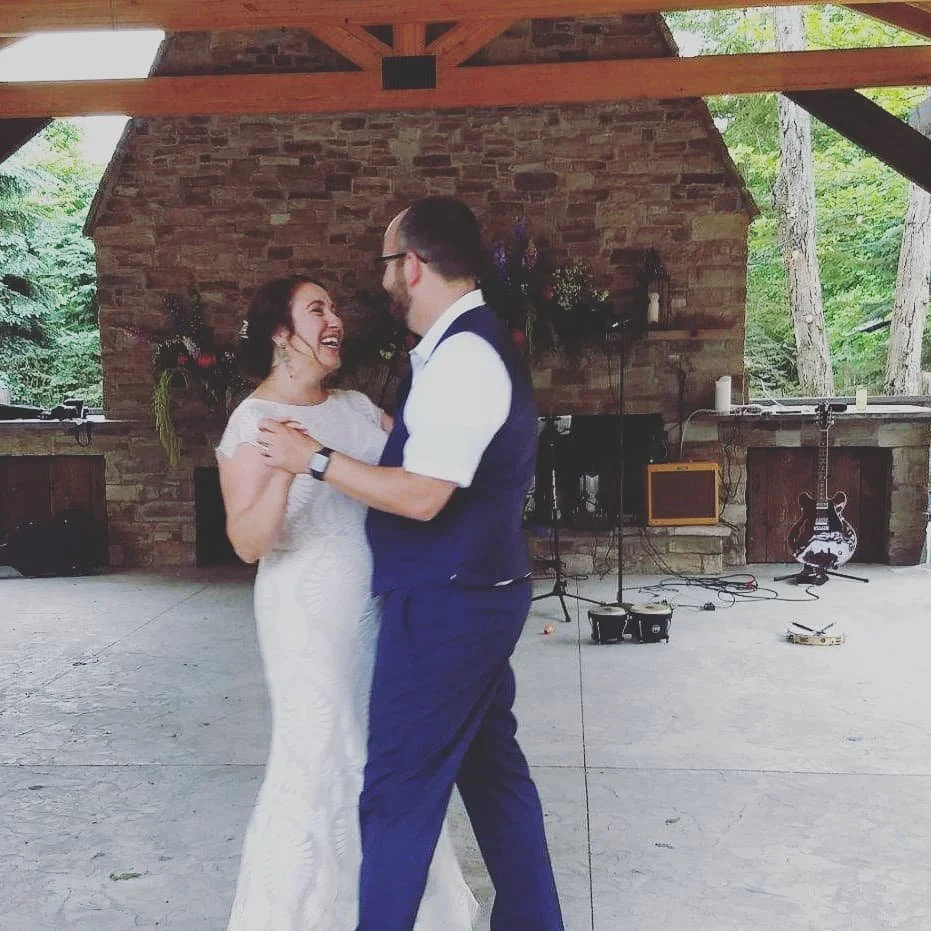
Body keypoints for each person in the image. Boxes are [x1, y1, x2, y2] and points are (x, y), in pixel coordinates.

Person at [258, 198, 565, 931]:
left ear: (415, 266)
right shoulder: (458, 349)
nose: (383, 278)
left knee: (396, 793)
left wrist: (314, 458)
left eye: (387, 262)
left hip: (447, 606)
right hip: (473, 593)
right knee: (492, 775)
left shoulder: (464, 358)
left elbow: (424, 497)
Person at [216, 275, 477, 930]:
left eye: (333, 308)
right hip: (306, 617)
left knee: (386, 751)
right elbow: (247, 542)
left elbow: (415, 474)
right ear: (282, 334)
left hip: (382, 608)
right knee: (320, 751)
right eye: (317, 310)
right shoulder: (252, 421)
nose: (334, 319)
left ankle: (398, 907)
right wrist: (285, 469)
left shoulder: (357, 407)